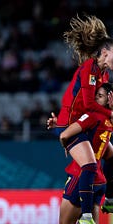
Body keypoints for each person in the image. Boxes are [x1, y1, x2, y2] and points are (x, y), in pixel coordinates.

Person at [48, 14, 113, 224]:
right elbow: (88, 105)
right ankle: (85, 216)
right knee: (90, 165)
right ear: (105, 52)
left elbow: (93, 109)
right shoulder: (89, 69)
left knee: (109, 155)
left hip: (82, 124)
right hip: (71, 124)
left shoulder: (104, 76)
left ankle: (109, 198)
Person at [57, 83, 113, 223]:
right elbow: (110, 155)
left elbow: (64, 135)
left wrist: (67, 144)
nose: (95, 98)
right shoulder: (109, 121)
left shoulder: (94, 116)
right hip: (99, 180)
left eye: (99, 96)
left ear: (109, 99)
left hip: (81, 177)